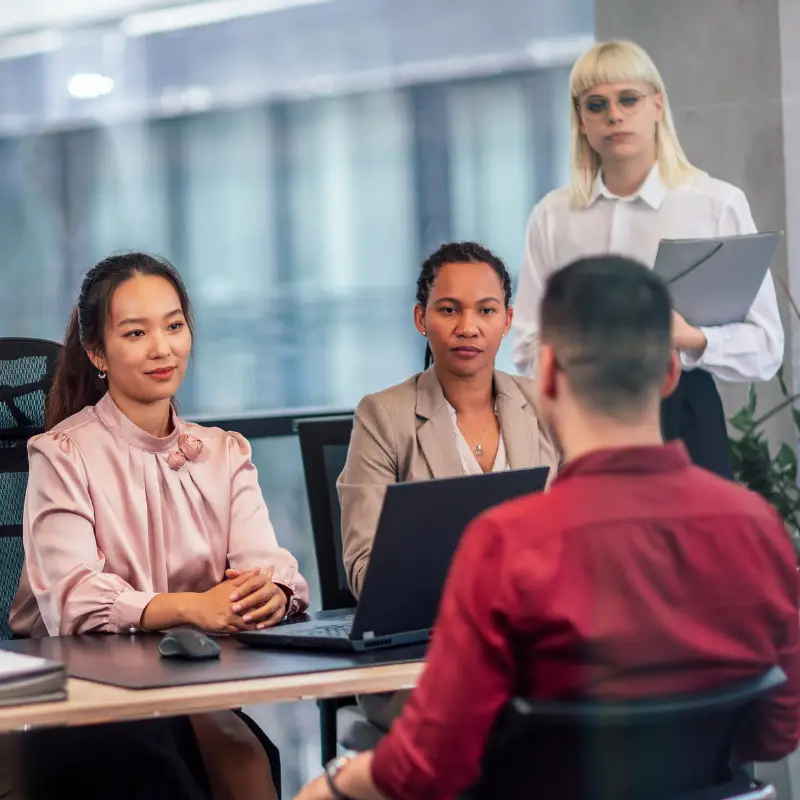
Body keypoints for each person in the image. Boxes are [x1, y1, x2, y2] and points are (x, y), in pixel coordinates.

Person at [295, 255, 799, 800]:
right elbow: (777, 729)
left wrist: (332, 788)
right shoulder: (758, 528)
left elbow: (430, 766)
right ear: (671, 373)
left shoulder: (509, 542)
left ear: (550, 371)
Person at [9, 252, 310, 800]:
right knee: (168, 765)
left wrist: (273, 592)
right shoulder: (61, 454)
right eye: (135, 333)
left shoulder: (224, 452)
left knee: (244, 753)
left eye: (174, 326)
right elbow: (71, 601)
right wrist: (192, 607)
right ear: (97, 352)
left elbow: (268, 562)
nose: (162, 348)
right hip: (82, 698)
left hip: (191, 684)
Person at [511, 39, 784, 479]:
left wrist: (691, 338)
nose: (613, 115)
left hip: (686, 416)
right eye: (596, 105)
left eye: (628, 99)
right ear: (580, 120)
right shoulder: (553, 216)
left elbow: (767, 348)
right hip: (585, 419)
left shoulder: (714, 204)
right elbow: (527, 341)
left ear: (657, 105)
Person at [338, 240, 558, 730]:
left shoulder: (544, 406)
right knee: (501, 723)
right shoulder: (383, 415)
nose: (468, 327)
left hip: (533, 649)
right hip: (422, 661)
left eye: (486, 310)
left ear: (508, 319)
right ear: (421, 318)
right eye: (448, 310)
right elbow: (364, 569)